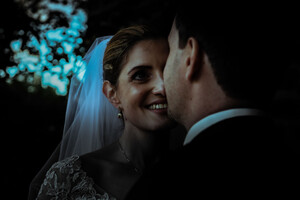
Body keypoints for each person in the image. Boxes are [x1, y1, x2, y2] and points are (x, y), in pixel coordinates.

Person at [125, 2, 299, 199]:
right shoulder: (290, 156)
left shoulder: (166, 184)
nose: (161, 83)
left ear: (191, 57)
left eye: (171, 52)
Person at [35, 25, 181, 200]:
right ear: (112, 95)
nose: (162, 87)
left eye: (169, 71)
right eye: (140, 75)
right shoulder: (68, 178)